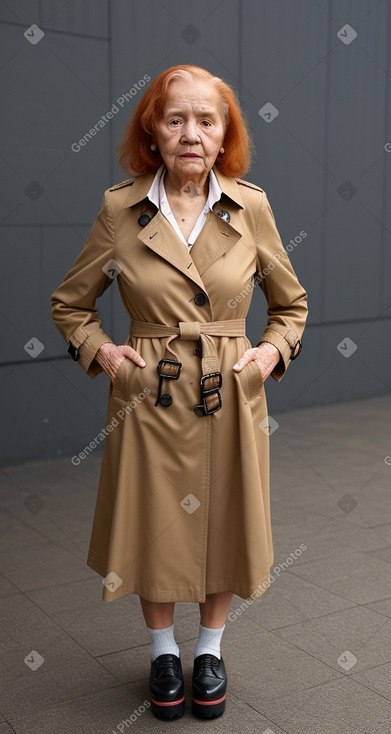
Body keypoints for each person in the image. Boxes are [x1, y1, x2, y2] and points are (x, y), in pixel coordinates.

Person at [51, 64, 308, 721]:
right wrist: (104, 353)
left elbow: (291, 305)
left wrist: (268, 353)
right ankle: (163, 650)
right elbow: (71, 305)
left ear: (225, 136)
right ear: (152, 132)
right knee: (154, 526)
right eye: (175, 119)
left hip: (230, 389)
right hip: (150, 396)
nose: (191, 132)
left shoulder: (251, 207)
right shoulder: (120, 209)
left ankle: (210, 650)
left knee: (224, 522)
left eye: (206, 120)